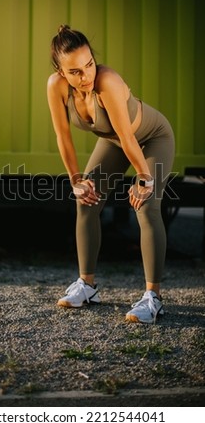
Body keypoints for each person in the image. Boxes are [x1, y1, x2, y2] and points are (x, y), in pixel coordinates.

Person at [47, 25, 175, 323]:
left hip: (152, 137)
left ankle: (153, 297)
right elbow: (62, 136)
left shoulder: (108, 82)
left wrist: (145, 178)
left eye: (89, 64)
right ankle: (87, 286)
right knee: (86, 200)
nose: (86, 75)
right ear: (61, 72)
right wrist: (76, 180)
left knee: (146, 206)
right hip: (116, 141)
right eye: (76, 71)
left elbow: (131, 139)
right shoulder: (56, 86)